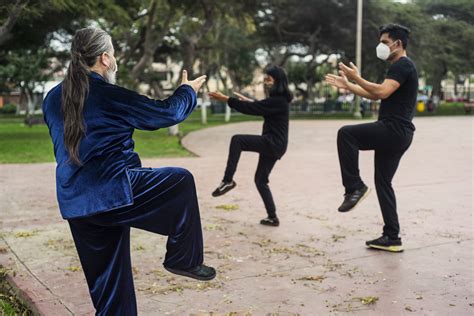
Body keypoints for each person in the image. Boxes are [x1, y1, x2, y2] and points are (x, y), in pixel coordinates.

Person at [42, 27, 215, 315]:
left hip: (75, 202)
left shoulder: (51, 98)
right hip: (112, 192)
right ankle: (183, 259)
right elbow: (167, 113)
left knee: (109, 287)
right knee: (181, 181)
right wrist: (187, 91)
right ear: (105, 58)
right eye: (114, 55)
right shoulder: (109, 95)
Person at [325, 23, 418, 252]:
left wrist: (357, 77)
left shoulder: (403, 65)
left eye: (385, 42)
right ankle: (392, 237)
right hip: (399, 133)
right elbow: (375, 95)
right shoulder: (400, 67)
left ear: (398, 44)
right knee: (383, 183)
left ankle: (354, 186)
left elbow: (380, 92)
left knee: (346, 134)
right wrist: (349, 85)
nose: (381, 46)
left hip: (393, 129)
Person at [208, 66, 293, 227]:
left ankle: (228, 180)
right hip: (276, 144)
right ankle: (272, 217)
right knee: (260, 180)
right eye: (265, 79)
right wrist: (249, 103)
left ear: (278, 81)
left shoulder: (279, 101)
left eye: (269, 79)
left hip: (273, 142)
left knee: (237, 140)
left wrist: (226, 99)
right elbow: (261, 107)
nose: (266, 82)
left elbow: (255, 109)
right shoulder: (278, 101)